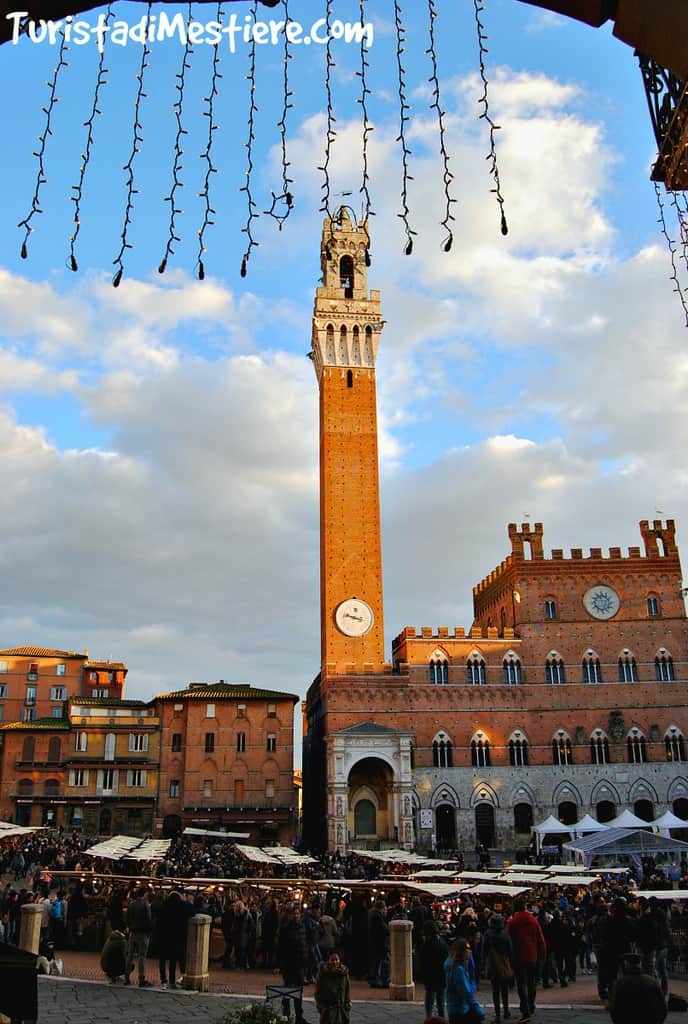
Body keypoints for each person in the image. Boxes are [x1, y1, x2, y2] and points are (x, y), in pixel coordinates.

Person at [507, 898, 546, 1023]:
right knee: (531, 983)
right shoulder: (533, 920)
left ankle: (525, 1007)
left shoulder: (513, 922)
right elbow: (540, 939)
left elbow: (510, 941)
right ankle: (531, 1004)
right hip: (532, 956)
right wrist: (542, 955)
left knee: (521, 984)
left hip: (519, 956)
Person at [609, 953, 667, 1024]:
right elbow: (663, 1007)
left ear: (626, 964)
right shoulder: (652, 981)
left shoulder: (620, 983)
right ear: (640, 964)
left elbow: (613, 1009)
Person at [156, 889, 193, 989]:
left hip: (164, 935)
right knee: (173, 959)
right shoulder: (182, 906)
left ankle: (163, 980)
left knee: (162, 959)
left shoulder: (164, 905)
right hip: (177, 936)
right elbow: (191, 910)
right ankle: (172, 980)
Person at [482, 914, 514, 1022]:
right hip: (504, 964)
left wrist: (482, 965)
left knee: (495, 991)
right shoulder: (505, 935)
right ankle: (506, 1010)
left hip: (493, 965)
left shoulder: (488, 934)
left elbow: (484, 951)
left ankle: (497, 1015)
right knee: (504, 990)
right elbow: (510, 951)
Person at [445, 938, 485, 1024]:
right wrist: (478, 1010)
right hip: (460, 1010)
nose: (470, 951)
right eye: (468, 948)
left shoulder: (453, 966)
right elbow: (465, 993)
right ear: (462, 951)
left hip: (455, 1008)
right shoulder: (458, 969)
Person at [418, 919, 449, 1020]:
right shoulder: (442, 943)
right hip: (441, 974)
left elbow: (422, 961)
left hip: (430, 975)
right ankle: (442, 1018)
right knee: (441, 1000)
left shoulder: (425, 945)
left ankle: (429, 1018)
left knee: (430, 999)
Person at [125, 887, 153, 988]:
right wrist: (149, 932)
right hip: (142, 933)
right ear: (144, 894)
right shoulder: (145, 905)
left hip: (133, 932)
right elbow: (148, 920)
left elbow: (127, 918)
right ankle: (141, 978)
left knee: (130, 956)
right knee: (142, 957)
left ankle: (127, 977)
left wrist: (129, 927)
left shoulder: (131, 904)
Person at [314, 951, 351, 1024]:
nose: (334, 962)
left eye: (336, 959)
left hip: (341, 1007)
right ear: (328, 960)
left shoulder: (344, 972)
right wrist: (320, 1006)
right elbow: (318, 989)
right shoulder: (323, 972)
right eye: (332, 960)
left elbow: (347, 987)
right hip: (328, 1007)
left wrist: (348, 1002)